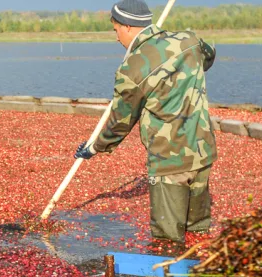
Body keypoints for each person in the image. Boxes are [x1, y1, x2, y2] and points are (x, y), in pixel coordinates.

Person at [75, 0, 218, 243]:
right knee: (198, 235)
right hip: (202, 152)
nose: (116, 37)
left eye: (116, 29)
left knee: (168, 242)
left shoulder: (133, 68)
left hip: (169, 161)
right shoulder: (189, 40)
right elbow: (209, 58)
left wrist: (95, 147)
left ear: (128, 27)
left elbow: (121, 122)